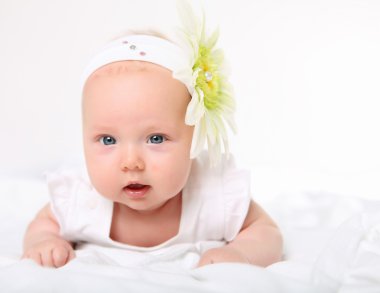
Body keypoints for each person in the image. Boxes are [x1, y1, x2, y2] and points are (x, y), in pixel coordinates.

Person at [22, 3, 283, 269]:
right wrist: (43, 241)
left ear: (195, 137)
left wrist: (242, 253)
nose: (132, 162)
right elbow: (44, 224)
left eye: (155, 139)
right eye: (108, 140)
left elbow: (266, 231)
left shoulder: (213, 194)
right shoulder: (81, 197)